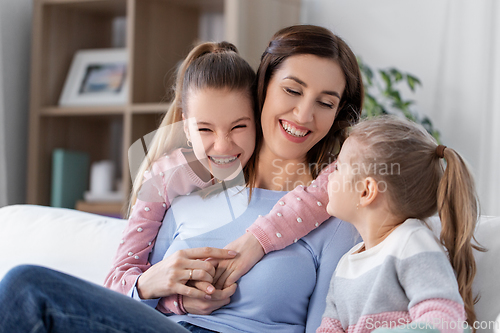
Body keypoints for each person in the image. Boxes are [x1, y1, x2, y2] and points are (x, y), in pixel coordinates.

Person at [0, 24, 363, 333]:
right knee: (24, 289)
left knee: (26, 288)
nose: (303, 114)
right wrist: (154, 290)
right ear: (263, 87)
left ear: (338, 114)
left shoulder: (335, 216)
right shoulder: (183, 193)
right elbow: (130, 303)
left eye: (325, 102)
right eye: (293, 90)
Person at [315, 116, 483, 333]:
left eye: (338, 167)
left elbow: (445, 320)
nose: (328, 175)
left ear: (366, 191)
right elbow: (330, 328)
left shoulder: (411, 241)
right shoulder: (346, 264)